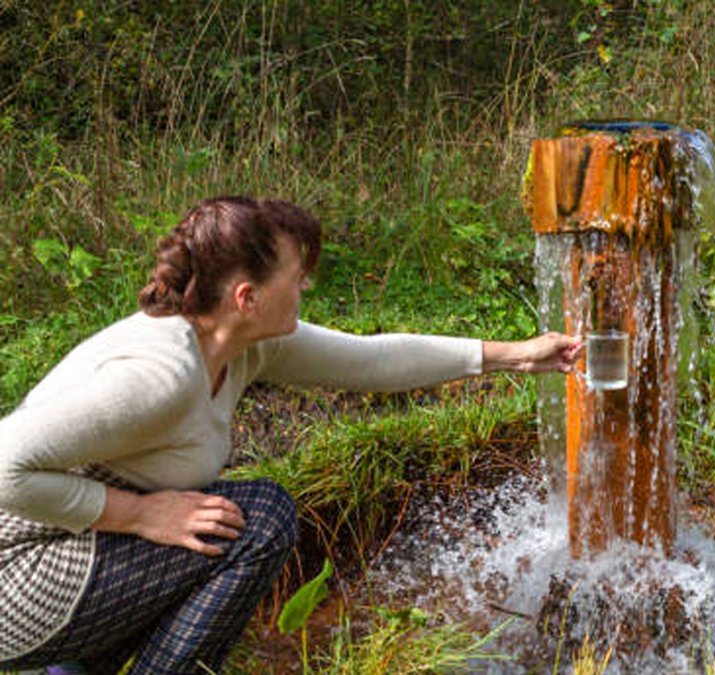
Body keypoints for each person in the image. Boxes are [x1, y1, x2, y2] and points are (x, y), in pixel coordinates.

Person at [0, 196, 582, 674]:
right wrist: (138, 514)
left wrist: (514, 356)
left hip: (69, 554)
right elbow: (6, 465)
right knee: (258, 522)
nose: (304, 284)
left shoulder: (239, 343)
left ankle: (74, 668)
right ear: (246, 297)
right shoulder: (160, 375)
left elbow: (371, 361)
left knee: (230, 515)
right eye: (294, 276)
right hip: (17, 575)